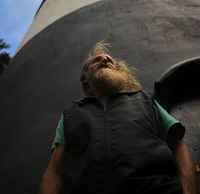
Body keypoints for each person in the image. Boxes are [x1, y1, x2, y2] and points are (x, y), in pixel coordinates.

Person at [39, 42, 197, 194]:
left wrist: (189, 191)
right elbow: (54, 171)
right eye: (96, 60)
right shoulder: (71, 114)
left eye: (109, 60)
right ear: (84, 79)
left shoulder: (144, 100)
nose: (105, 59)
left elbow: (178, 146)